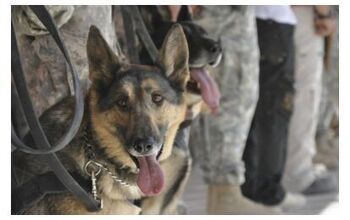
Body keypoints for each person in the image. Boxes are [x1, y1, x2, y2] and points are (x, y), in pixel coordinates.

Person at [186, 6, 281, 214]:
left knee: (233, 93)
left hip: (232, 13)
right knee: (230, 95)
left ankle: (221, 195)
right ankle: (224, 194)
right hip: (219, 14)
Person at [241, 5, 305, 210]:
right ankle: (267, 193)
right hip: (272, 21)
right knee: (275, 110)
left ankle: (251, 190)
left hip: (257, 22)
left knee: (255, 108)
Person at [282, 5, 338, 195]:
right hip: (301, 13)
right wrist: (325, 12)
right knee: (304, 95)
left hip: (269, 14)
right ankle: (297, 175)